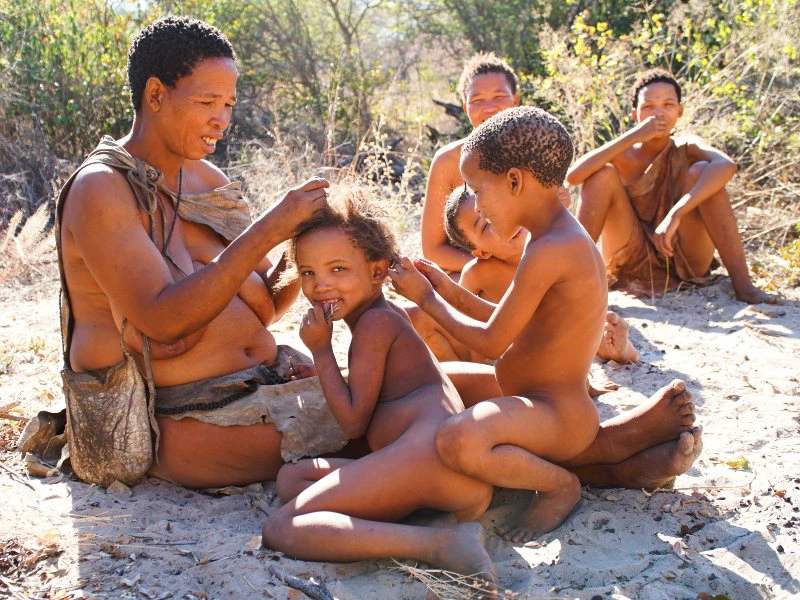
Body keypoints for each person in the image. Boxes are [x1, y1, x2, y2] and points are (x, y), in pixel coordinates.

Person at [56, 16, 348, 489]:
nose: (222, 119)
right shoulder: (102, 190)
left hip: (265, 384)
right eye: (207, 101)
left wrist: (310, 241)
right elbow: (162, 320)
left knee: (427, 390)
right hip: (183, 423)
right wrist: (269, 228)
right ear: (155, 94)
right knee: (395, 423)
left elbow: (267, 303)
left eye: (229, 104)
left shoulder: (205, 182)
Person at [390, 106, 702, 544]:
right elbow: (509, 321)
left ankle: (560, 485)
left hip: (556, 413)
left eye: (478, 190)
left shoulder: (551, 249)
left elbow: (494, 339)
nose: (477, 203)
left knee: (457, 441)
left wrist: (425, 300)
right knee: (435, 386)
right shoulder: (553, 237)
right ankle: (624, 456)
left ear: (515, 181)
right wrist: (444, 287)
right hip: (536, 401)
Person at [261, 185, 496, 591]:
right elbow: (374, 389)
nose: (320, 287)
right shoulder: (379, 320)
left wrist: (320, 352)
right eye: (309, 273)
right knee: (292, 480)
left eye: (338, 270)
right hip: (442, 477)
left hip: (429, 461)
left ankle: (440, 543)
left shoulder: (374, 325)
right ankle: (426, 522)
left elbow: (353, 422)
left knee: (282, 529)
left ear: (376, 271)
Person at [566, 68, 778, 304]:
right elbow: (574, 176)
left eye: (668, 105)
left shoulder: (686, 146)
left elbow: (726, 165)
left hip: (682, 254)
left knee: (704, 172)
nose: (658, 113)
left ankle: (744, 286)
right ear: (634, 114)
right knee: (601, 175)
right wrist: (634, 136)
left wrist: (676, 213)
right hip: (630, 259)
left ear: (680, 111)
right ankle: (571, 284)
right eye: (648, 107)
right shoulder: (623, 152)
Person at [444, 186, 639, 364]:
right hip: (511, 353)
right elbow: (466, 327)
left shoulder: (548, 249)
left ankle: (624, 350)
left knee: (591, 336)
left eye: (498, 208)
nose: (497, 220)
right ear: (482, 252)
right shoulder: (478, 273)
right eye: (485, 226)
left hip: (563, 340)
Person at [421, 52, 520, 273]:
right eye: (477, 100)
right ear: (465, 109)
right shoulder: (448, 161)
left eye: (499, 97)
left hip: (532, 269)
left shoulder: (535, 150)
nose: (489, 107)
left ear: (516, 100)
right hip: (472, 271)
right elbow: (433, 249)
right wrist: (496, 270)